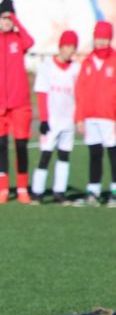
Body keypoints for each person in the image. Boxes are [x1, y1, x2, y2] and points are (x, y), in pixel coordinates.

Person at [0, 0, 35, 204]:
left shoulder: (19, 41)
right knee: (1, 145)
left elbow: (30, 42)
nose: (7, 21)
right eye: (4, 18)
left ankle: (22, 188)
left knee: (21, 145)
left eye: (9, 18)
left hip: (19, 104)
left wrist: (16, 20)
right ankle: (3, 189)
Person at [30, 30, 80, 205]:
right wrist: (43, 119)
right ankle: (37, 192)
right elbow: (41, 94)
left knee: (64, 155)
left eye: (73, 47)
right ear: (60, 46)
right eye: (67, 46)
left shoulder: (76, 69)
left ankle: (60, 192)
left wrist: (78, 117)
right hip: (51, 121)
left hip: (68, 120)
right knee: (45, 155)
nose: (69, 50)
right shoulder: (47, 67)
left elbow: (80, 94)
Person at [74, 20, 116, 207]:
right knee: (94, 154)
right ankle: (93, 191)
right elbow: (80, 91)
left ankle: (114, 192)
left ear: (110, 39)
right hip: (90, 117)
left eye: (104, 38)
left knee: (113, 154)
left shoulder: (114, 60)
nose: (100, 42)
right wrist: (79, 118)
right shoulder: (87, 62)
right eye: (98, 38)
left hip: (110, 118)